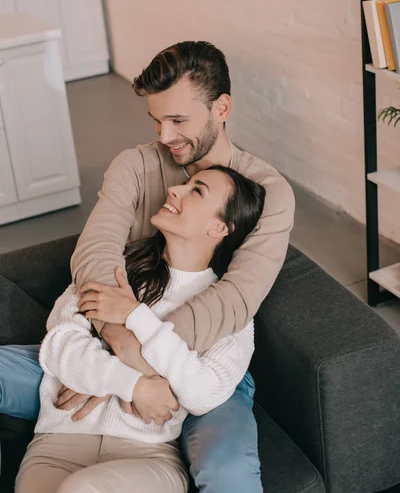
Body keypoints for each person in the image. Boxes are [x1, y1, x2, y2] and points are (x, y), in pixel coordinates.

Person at [1, 41, 295, 492]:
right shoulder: (135, 166)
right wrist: (119, 357)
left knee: (229, 474)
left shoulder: (266, 192)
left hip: (198, 360)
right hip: (102, 337)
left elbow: (234, 301)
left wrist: (135, 365)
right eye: (157, 119)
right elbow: (95, 252)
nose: (164, 135)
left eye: (178, 120)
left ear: (221, 108)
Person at [16, 166, 265, 493]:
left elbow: (204, 392)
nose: (175, 189)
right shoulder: (114, 268)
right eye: (185, 183)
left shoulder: (226, 310)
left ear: (219, 227)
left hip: (146, 457)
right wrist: (136, 386)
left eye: (197, 191)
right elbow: (60, 346)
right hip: (55, 444)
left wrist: (135, 316)